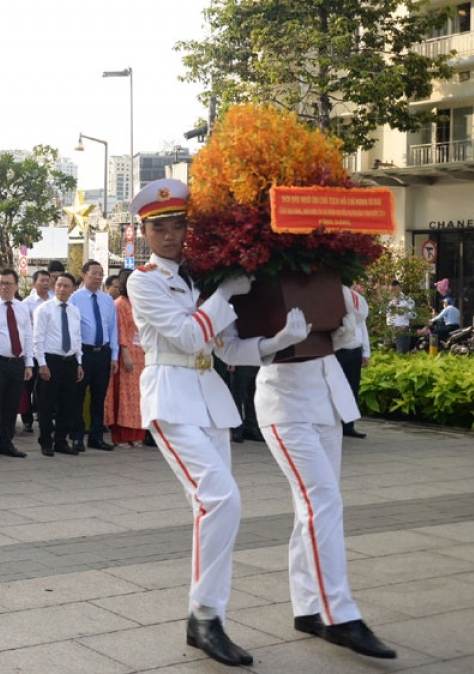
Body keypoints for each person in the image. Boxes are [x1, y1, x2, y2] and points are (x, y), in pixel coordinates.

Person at [126, 178, 308, 666]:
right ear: (145, 232)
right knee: (221, 499)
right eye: (159, 228)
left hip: (208, 398)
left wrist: (277, 341)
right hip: (170, 396)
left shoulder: (198, 279)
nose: (170, 235)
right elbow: (188, 337)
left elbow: (227, 347)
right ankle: (206, 618)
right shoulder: (142, 280)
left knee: (214, 511)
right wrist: (224, 291)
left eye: (178, 226)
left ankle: (205, 617)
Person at [254, 286, 397, 659]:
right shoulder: (258, 280)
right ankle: (340, 613)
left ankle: (308, 608)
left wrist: (330, 284)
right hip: (285, 405)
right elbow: (235, 342)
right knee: (323, 502)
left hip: (327, 402)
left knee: (312, 509)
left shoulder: (325, 276)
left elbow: (360, 307)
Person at [0, 268, 34, 460]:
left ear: (16, 286)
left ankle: (7, 443)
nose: (4, 287)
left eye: (8, 284)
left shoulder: (22, 307)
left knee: (12, 405)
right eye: (0, 283)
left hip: (17, 363)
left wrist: (29, 364)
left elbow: (27, 336)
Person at [32, 272, 84, 456]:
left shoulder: (74, 310)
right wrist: (42, 364)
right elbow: (37, 338)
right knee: (46, 404)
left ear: (73, 289)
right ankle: (46, 442)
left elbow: (77, 338)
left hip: (69, 361)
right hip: (50, 360)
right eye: (59, 285)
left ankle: (61, 441)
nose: (62, 289)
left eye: (66, 286)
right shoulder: (44, 309)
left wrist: (79, 362)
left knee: (67, 404)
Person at [70, 260, 119, 452]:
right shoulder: (75, 298)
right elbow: (73, 330)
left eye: (101, 274)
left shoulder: (107, 300)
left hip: (103, 353)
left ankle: (96, 437)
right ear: (84, 275)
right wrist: (77, 358)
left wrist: (114, 355)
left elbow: (113, 328)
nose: (98, 277)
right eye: (94, 273)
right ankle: (76, 436)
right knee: (78, 397)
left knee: (100, 397)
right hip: (84, 353)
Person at [104, 268, 146, 447]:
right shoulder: (120, 304)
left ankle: (137, 435)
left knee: (140, 397)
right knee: (125, 397)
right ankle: (122, 436)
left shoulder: (140, 303)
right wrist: (126, 354)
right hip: (126, 354)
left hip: (142, 354)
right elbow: (119, 330)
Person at [21, 270, 53, 433]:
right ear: (34, 283)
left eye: (48, 281)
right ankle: (27, 420)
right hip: (32, 351)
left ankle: (44, 417)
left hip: (50, 350)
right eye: (42, 281)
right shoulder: (27, 303)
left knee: (45, 387)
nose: (46, 284)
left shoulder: (54, 300)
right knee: (28, 386)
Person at [336, 287, 371, 439]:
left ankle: (349, 425)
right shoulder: (337, 308)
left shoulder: (358, 310)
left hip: (355, 353)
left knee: (352, 389)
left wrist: (366, 352)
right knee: (337, 390)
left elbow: (364, 330)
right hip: (339, 353)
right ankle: (335, 424)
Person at [386, 280, 414, 353]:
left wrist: (403, 312)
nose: (394, 292)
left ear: (400, 288)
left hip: (402, 328)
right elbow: (387, 315)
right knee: (389, 354)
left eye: (395, 289)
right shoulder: (390, 301)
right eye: (392, 290)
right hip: (392, 330)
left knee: (402, 353)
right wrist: (390, 326)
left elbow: (413, 315)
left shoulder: (408, 300)